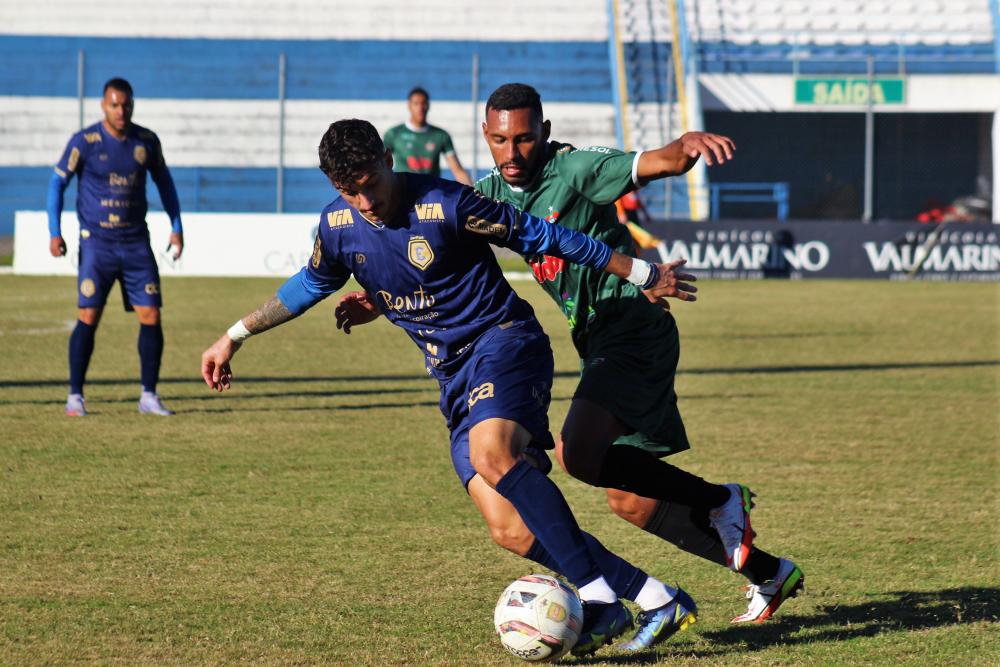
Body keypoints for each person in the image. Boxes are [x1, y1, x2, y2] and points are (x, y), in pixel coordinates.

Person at [201, 119, 701, 656]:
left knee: (494, 457)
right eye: (350, 191)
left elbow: (543, 234)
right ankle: (653, 595)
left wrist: (636, 271)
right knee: (509, 528)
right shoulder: (337, 227)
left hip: (504, 342)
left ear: (388, 159)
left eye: (371, 182)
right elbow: (309, 284)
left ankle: (600, 597)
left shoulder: (449, 203)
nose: (366, 200)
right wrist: (234, 336)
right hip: (452, 376)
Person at [338, 84, 804, 641]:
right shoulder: (490, 194)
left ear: (545, 131)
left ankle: (718, 501)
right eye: (500, 140)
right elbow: (441, 251)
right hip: (593, 340)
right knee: (629, 500)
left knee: (577, 452)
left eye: (525, 138)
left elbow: (655, 161)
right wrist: (378, 297)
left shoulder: (575, 169)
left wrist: (688, 144)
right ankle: (768, 571)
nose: (513, 153)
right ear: (486, 138)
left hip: (633, 328)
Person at [49, 77, 183, 417]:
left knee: (151, 315)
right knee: (88, 316)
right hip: (98, 245)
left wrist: (176, 227)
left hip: (137, 242)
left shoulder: (147, 140)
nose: (121, 111)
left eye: (126, 104)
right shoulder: (85, 141)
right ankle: (75, 396)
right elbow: (57, 183)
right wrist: (55, 231)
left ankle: (149, 396)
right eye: (114, 104)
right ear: (103, 105)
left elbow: (164, 183)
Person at [383, 87, 472, 185]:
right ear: (409, 106)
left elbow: (457, 170)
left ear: (428, 105)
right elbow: (381, 166)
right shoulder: (394, 134)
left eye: (423, 103)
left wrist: (474, 192)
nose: (420, 108)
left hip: (431, 193)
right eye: (416, 104)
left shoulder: (441, 135)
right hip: (402, 192)